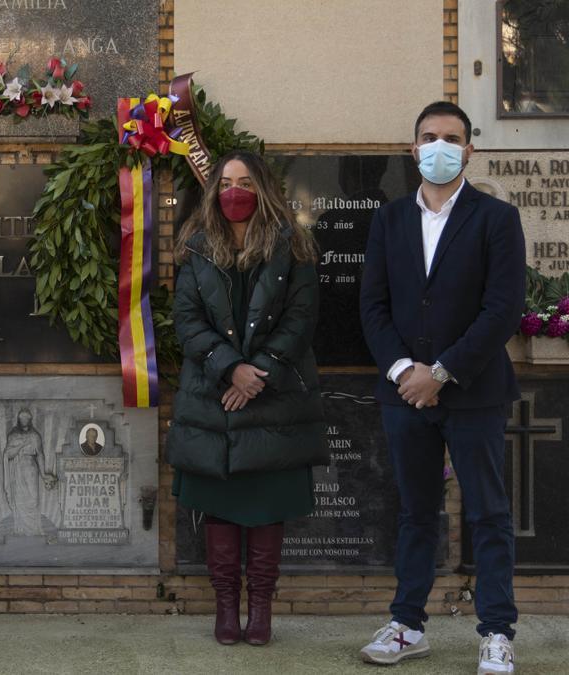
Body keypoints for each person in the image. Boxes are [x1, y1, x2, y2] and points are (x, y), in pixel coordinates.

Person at [358, 101, 524, 675]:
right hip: (405, 396)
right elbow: (373, 306)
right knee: (415, 512)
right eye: (428, 137)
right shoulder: (390, 220)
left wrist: (443, 372)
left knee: (488, 513)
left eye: (451, 138)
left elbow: (502, 309)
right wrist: (406, 371)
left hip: (473, 393)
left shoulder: (496, 220)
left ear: (470, 149)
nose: (439, 147)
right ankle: (407, 624)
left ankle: (498, 632)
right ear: (413, 149)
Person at [165, 150, 326, 647]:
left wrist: (260, 373)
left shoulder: (292, 246)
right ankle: (224, 608)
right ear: (214, 190)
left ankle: (260, 608)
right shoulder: (195, 247)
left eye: (246, 182)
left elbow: (302, 318)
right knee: (219, 509)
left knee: (266, 507)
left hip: (273, 398)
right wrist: (230, 369)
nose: (235, 191)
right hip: (214, 398)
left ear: (263, 190)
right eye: (227, 182)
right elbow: (187, 322)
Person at [2, 408, 57, 536]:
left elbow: (40, 455)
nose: (24, 420)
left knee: (33, 499)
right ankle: (20, 529)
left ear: (30, 420)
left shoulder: (35, 435)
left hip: (31, 469)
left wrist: (43, 474)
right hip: (17, 469)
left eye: (26, 418)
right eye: (22, 418)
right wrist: (21, 445)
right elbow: (8, 454)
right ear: (19, 419)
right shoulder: (13, 435)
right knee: (19, 499)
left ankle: (35, 529)